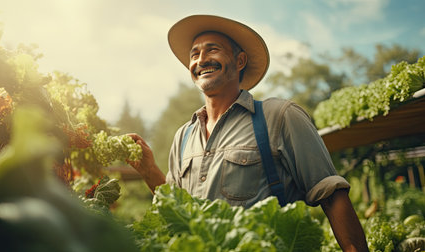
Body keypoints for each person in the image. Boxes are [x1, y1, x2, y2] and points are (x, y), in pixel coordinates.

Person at [127, 14, 368, 252]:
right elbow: (175, 210)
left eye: (212, 50)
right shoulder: (183, 137)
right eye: (194, 54)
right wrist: (149, 171)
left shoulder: (280, 116)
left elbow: (331, 195)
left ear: (240, 61)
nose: (201, 60)